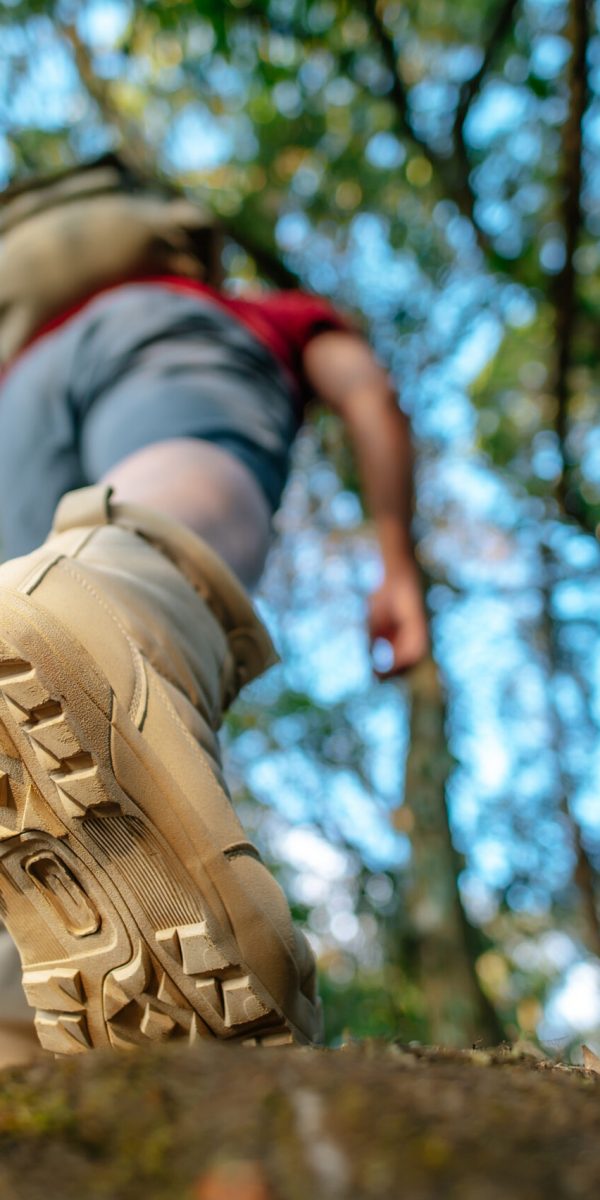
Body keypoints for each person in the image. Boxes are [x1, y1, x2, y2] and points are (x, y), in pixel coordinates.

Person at [0, 156, 428, 1062]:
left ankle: (18, 1014)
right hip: (171, 342)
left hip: (13, 400)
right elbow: (368, 393)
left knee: (15, 577)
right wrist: (397, 561)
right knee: (166, 494)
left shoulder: (31, 334)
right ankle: (124, 605)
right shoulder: (250, 309)